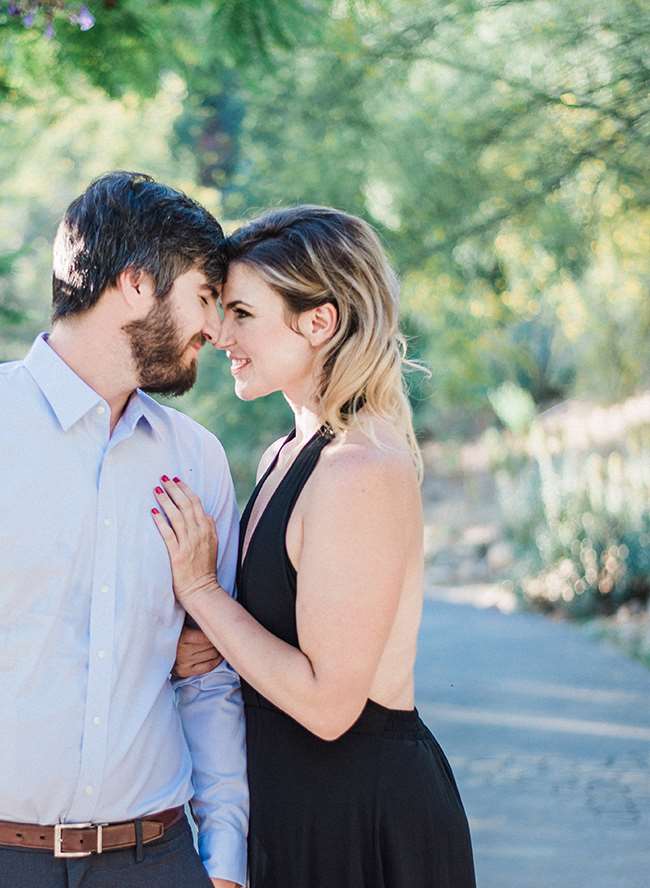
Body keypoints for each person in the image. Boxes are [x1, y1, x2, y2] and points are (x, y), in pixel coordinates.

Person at [153, 205, 477, 887]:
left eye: (242, 312)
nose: (218, 334)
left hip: (362, 822)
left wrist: (203, 592)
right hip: (294, 809)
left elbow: (330, 706)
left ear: (319, 321)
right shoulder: (288, 452)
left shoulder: (361, 469)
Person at [0, 171, 247, 888]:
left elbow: (210, 680)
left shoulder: (195, 460)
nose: (216, 329)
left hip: (154, 861)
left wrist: (224, 853)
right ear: (136, 283)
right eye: (205, 297)